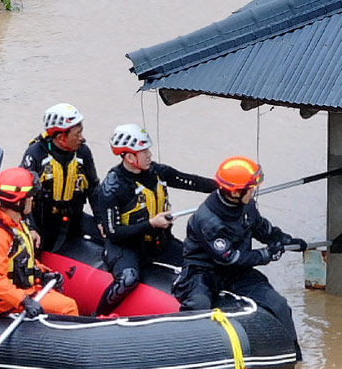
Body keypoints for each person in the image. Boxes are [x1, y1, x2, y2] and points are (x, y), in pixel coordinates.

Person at [173, 156, 306, 354]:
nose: (253, 191)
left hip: (237, 273)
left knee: (279, 305)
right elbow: (230, 258)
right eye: (250, 188)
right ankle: (191, 353)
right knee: (199, 307)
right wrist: (267, 254)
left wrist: (285, 240)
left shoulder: (247, 206)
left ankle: (292, 354)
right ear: (235, 192)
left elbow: (262, 228)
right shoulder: (207, 220)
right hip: (204, 272)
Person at [92, 124, 217, 314]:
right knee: (128, 279)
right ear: (129, 156)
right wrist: (151, 223)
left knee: (201, 261)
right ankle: (98, 315)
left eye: (148, 150)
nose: (149, 155)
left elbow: (189, 180)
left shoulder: (157, 172)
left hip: (159, 243)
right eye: (144, 151)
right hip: (126, 247)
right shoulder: (112, 187)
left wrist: (222, 186)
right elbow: (113, 233)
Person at [0, 167, 81, 317]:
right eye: (29, 196)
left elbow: (21, 259)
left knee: (61, 297)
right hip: (1, 302)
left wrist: (43, 273)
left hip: (17, 290)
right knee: (68, 306)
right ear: (17, 201)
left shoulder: (14, 223)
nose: (32, 199)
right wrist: (23, 300)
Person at [20, 103, 102, 252]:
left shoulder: (83, 153)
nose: (81, 138)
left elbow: (94, 188)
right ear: (60, 137)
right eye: (77, 134)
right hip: (42, 222)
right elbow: (22, 195)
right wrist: (30, 228)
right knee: (31, 248)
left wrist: (101, 221)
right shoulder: (36, 154)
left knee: (111, 237)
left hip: (74, 219)